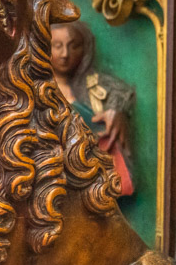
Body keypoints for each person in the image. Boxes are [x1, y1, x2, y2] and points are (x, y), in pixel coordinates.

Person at [50, 20, 136, 195]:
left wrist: (117, 112)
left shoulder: (98, 88)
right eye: (57, 46)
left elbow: (122, 96)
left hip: (97, 181)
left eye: (74, 46)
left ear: (85, 49)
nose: (65, 54)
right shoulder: (35, 89)